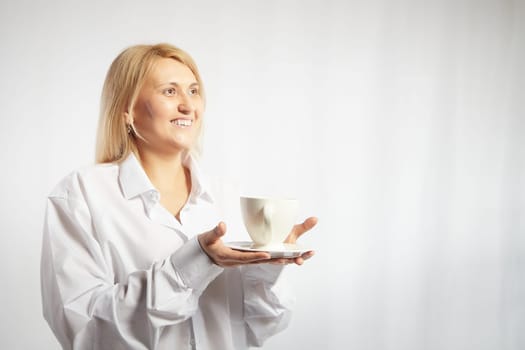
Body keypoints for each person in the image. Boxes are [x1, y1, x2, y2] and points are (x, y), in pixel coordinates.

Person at [40, 43, 317, 350]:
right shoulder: (81, 195)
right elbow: (84, 331)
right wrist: (194, 263)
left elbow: (259, 329)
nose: (188, 105)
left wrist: (267, 264)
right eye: (169, 91)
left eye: (194, 90)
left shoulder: (227, 196)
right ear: (127, 111)